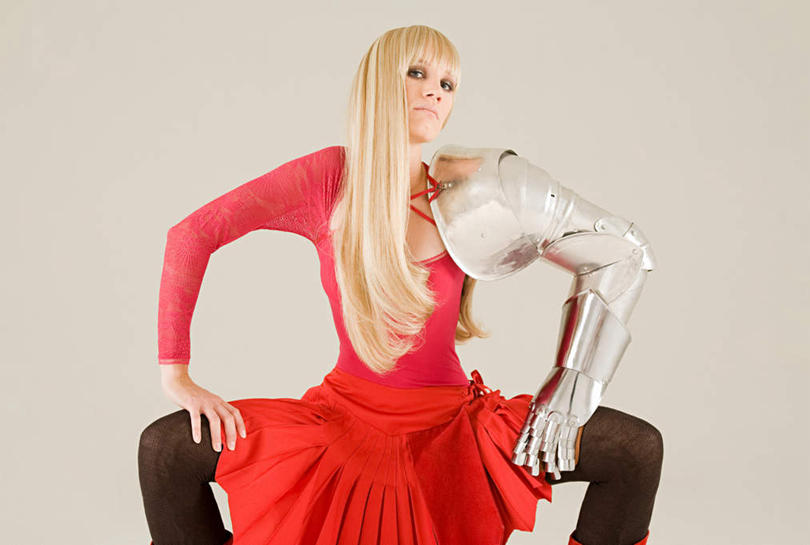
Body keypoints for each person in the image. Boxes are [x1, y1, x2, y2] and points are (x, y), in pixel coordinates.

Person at [138, 24, 663, 545]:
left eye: (448, 84)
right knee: (164, 449)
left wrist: (570, 387)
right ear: (379, 82)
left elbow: (620, 252)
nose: (436, 92)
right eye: (418, 73)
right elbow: (192, 235)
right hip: (341, 418)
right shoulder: (329, 179)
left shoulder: (471, 190)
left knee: (635, 450)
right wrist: (176, 376)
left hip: (454, 427)